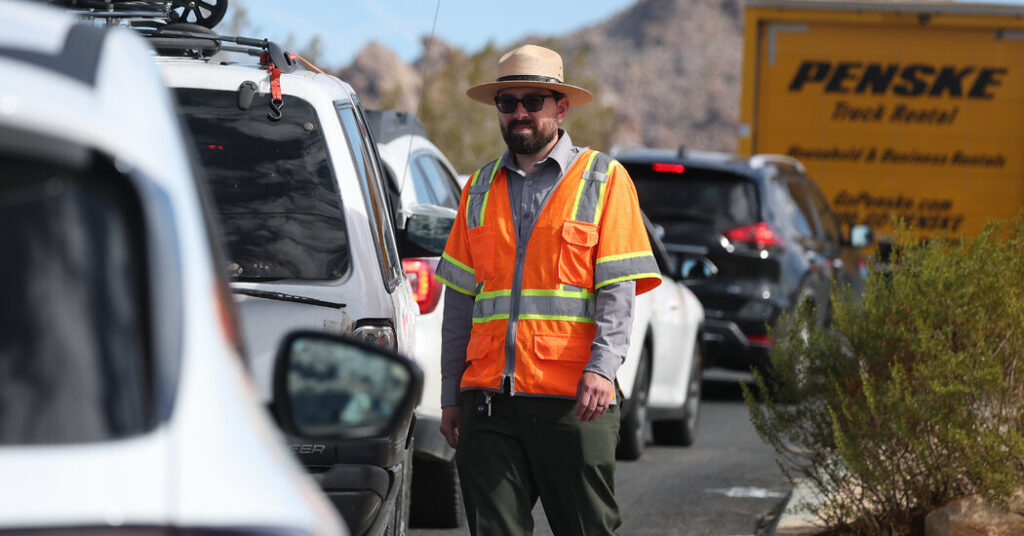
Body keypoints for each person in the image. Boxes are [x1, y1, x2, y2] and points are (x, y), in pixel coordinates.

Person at [433, 44, 662, 535]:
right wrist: (451, 395)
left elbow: (617, 292)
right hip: (489, 403)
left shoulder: (604, 179)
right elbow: (460, 304)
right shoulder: (476, 187)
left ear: (561, 107)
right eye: (507, 101)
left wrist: (603, 369)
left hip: (574, 403)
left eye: (533, 100)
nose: (519, 112)